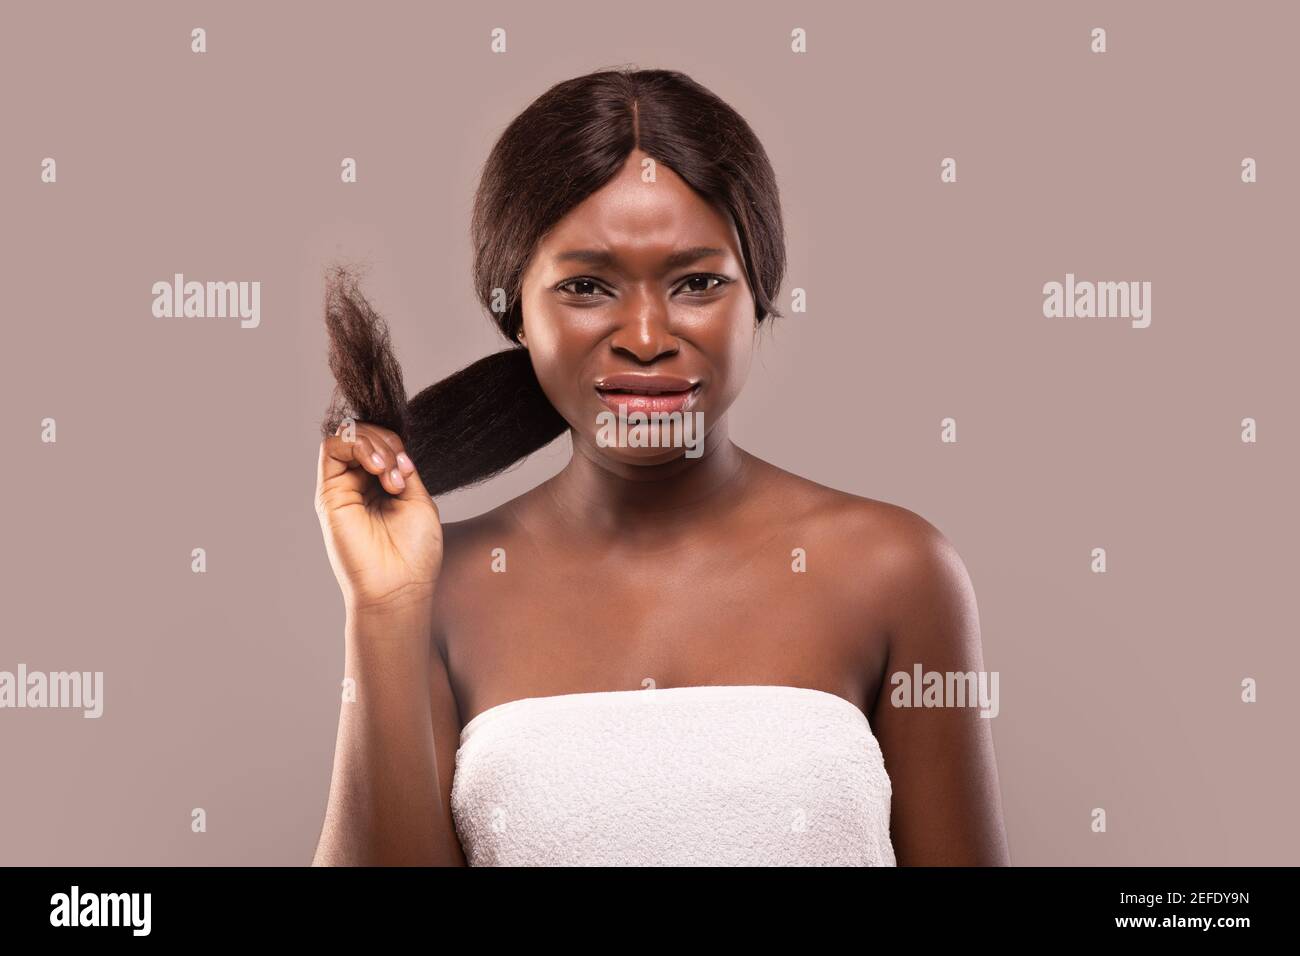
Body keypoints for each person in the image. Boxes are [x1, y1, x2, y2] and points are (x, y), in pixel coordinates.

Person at [311, 67, 1009, 866]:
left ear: (760, 297)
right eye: (585, 286)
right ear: (518, 315)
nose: (646, 334)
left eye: (698, 282)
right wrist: (385, 608)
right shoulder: (439, 585)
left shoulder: (898, 569)